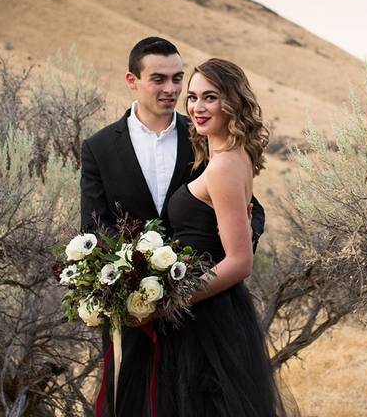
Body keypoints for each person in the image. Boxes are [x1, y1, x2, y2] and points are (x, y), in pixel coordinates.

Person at [80, 38, 266, 417]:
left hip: (202, 312)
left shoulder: (203, 137)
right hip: (135, 317)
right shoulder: (99, 147)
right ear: (133, 80)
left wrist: (225, 253)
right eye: (159, 79)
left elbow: (250, 211)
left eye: (178, 79)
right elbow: (94, 230)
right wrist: (135, 288)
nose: (173, 90)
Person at [149, 58, 290, 416]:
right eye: (193, 97)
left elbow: (240, 261)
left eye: (210, 97)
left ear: (232, 102)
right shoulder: (227, 156)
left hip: (208, 319)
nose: (197, 107)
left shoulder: (225, 165)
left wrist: (173, 302)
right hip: (212, 311)